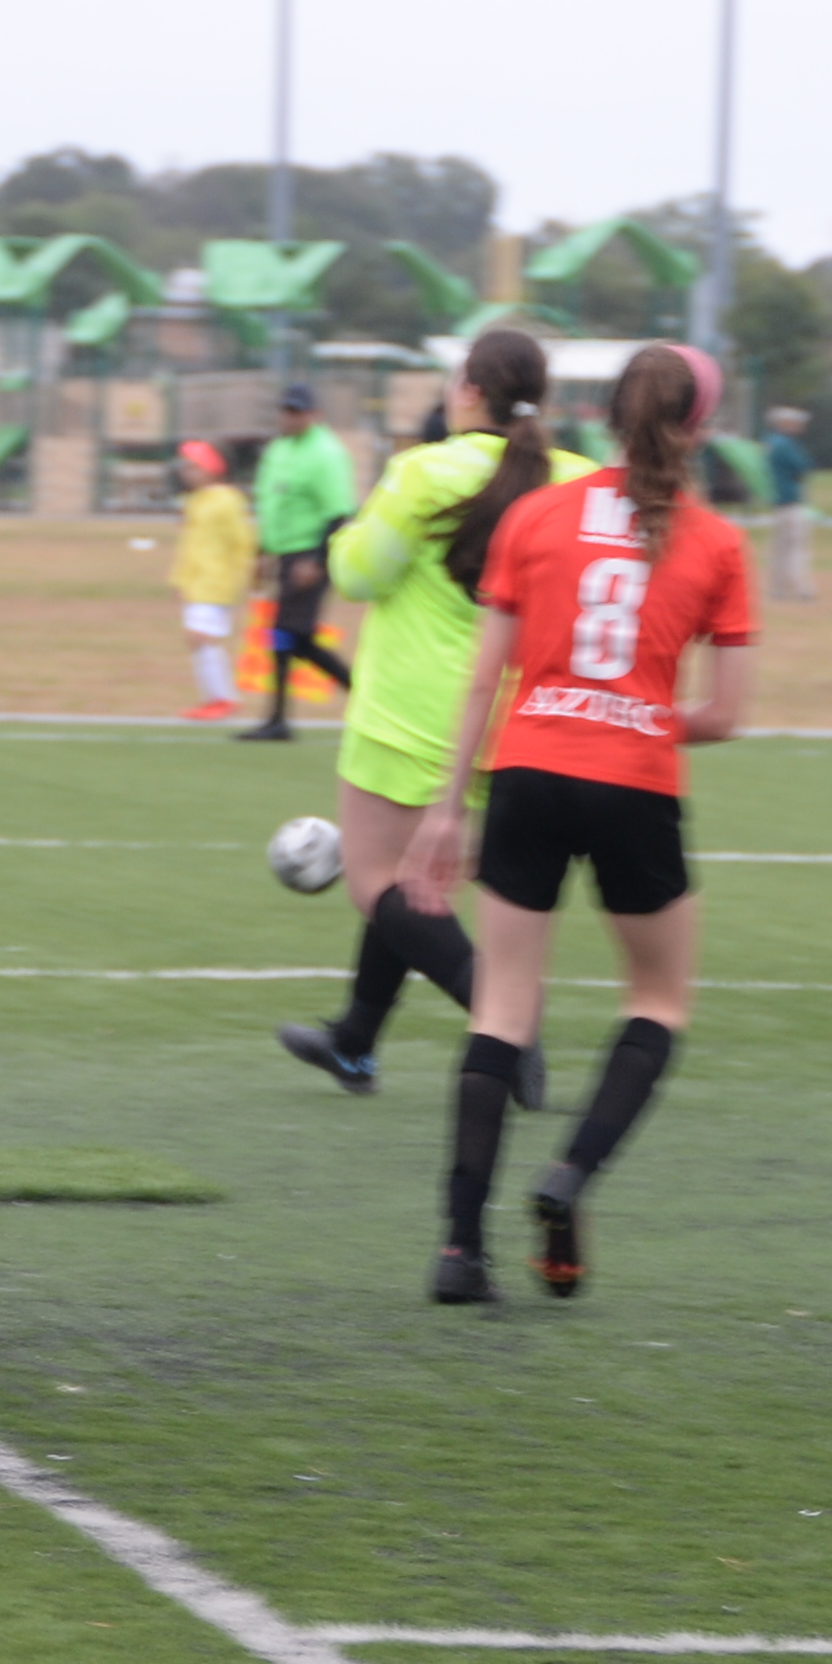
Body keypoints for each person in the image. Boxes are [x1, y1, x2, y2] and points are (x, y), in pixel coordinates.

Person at [391, 342, 757, 1305]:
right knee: (658, 1001)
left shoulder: (536, 514)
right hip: (635, 781)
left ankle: (458, 1251)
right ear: (700, 428)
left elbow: (485, 677)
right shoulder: (719, 542)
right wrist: (637, 714)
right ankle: (569, 1177)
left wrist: (445, 808)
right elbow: (726, 715)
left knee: (501, 1009)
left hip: (527, 772)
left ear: (607, 415)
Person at [275, 326, 555, 1101]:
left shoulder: (424, 470)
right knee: (411, 886)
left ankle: (507, 1022)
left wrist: (347, 537)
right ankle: (355, 1042)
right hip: (523, 719)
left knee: (379, 886)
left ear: (469, 391)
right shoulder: (573, 477)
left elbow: (359, 574)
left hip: (413, 716)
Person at [237, 382, 354, 740]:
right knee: (290, 636)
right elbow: (270, 505)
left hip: (310, 553)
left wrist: (316, 561)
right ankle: (279, 718)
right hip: (286, 554)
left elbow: (338, 512)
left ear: (314, 414)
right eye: (286, 410)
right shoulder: (278, 449)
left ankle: (284, 717)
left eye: (297, 411)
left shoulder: (325, 452)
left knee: (290, 634)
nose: (290, 417)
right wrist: (263, 553)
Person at [168, 437, 254, 718]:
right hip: (197, 583)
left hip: (217, 582)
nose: (186, 472)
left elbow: (242, 541)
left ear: (211, 469)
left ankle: (222, 698)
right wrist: (180, 579)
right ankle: (216, 697)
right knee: (196, 638)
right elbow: (190, 545)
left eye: (193, 467)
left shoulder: (227, 500)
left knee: (202, 637)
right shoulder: (195, 501)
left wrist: (243, 576)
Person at [757, 403, 816, 600]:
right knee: (795, 547)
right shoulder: (785, 445)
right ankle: (800, 588)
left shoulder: (770, 443)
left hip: (778, 502)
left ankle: (778, 588)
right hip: (790, 502)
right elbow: (803, 466)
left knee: (781, 548)